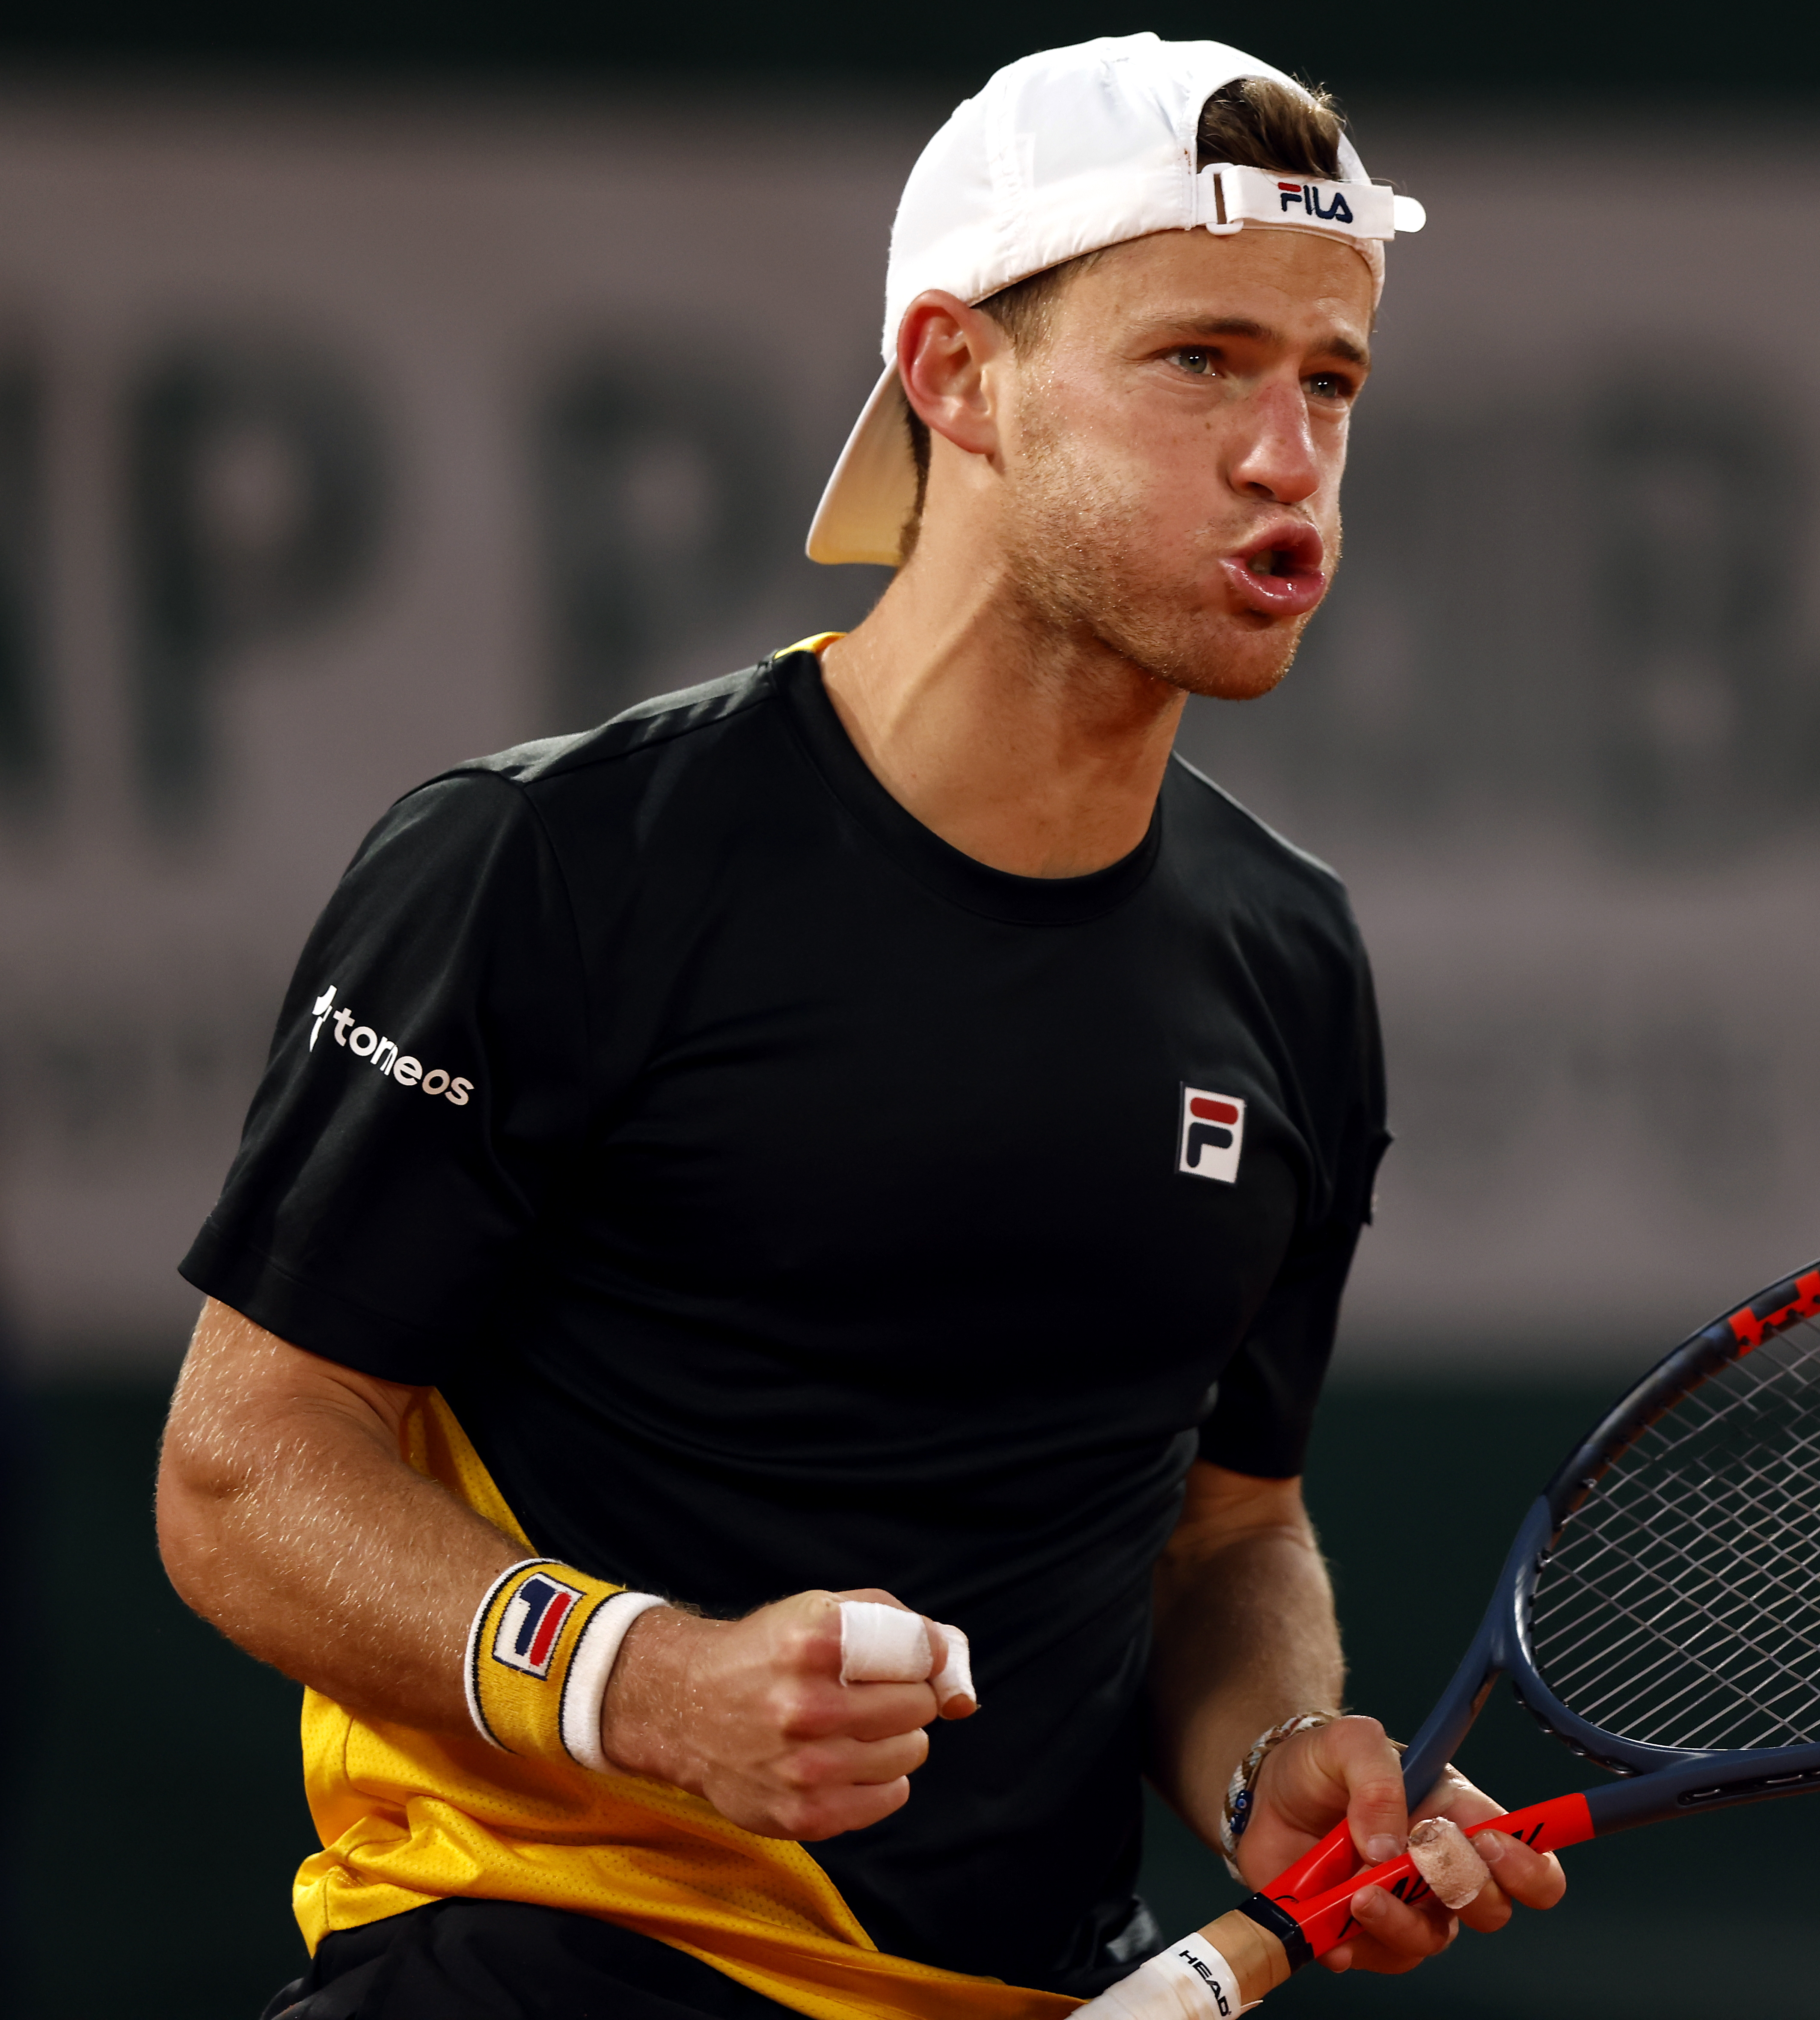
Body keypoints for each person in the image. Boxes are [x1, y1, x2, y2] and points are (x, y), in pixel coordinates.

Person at [154, 35, 1564, 2019]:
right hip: (530, 1964)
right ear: (953, 375)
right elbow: (239, 1472)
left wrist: (1267, 1759)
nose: (1285, 458)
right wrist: (637, 1678)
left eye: (1328, 381)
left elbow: (1222, 1523)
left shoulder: (1293, 960)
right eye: (1200, 364)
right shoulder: (550, 863)